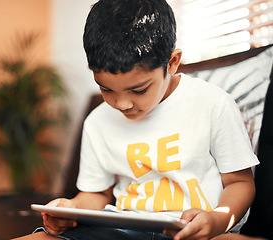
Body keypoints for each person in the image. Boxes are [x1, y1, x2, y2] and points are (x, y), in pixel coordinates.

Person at [14, 0, 261, 239]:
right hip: (122, 230)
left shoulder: (213, 104)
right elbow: (97, 194)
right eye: (106, 89)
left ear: (172, 62)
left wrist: (217, 221)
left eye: (139, 90)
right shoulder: (97, 122)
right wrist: (68, 209)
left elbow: (240, 183)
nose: (122, 104)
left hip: (195, 232)